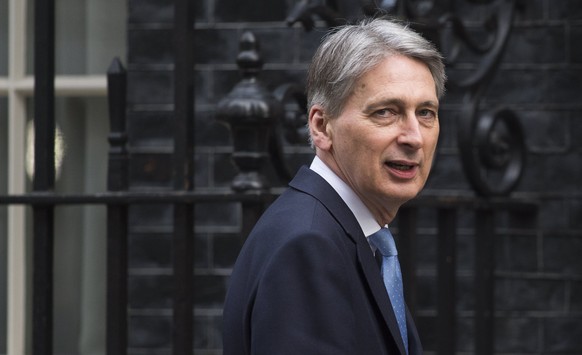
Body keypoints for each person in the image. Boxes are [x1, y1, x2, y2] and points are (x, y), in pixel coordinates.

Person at [223, 17, 446, 355]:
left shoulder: (349, 234)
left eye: (426, 112)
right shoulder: (308, 245)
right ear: (322, 127)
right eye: (386, 112)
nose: (414, 137)